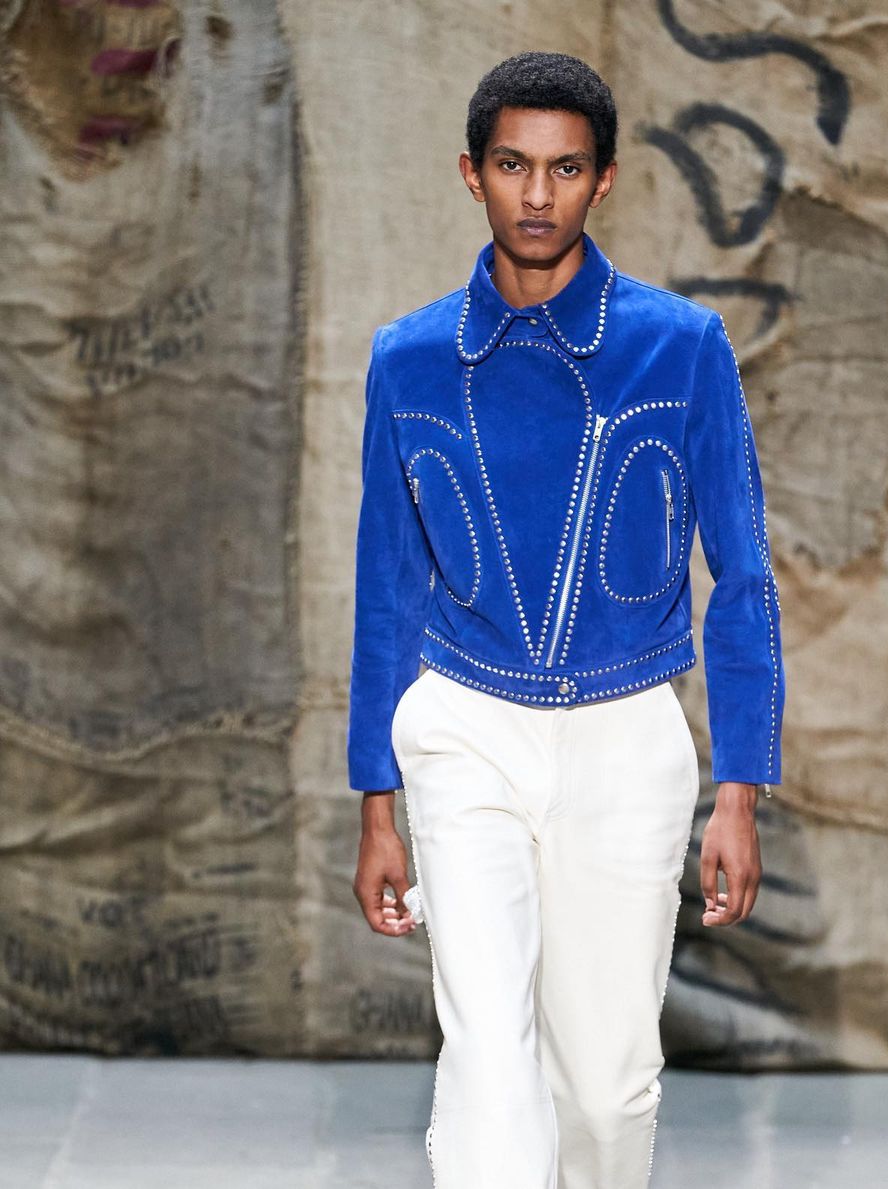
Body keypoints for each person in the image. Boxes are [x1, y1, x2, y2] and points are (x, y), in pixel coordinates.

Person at [347, 50, 784, 1189]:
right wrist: (376, 802)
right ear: (471, 173)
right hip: (463, 726)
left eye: (565, 169)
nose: (537, 195)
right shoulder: (408, 360)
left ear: (605, 180)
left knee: (605, 1090)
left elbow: (743, 573)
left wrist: (741, 789)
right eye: (512, 166)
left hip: (625, 733)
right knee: (489, 1060)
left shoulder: (681, 346)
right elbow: (387, 588)